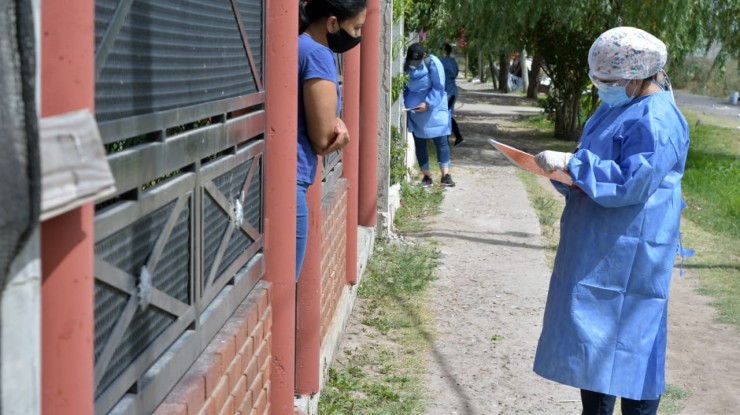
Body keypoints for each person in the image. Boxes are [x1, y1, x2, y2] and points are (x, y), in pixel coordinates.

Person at [532, 27, 690, 415]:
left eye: (609, 81)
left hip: (633, 256)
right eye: (598, 80)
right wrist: (566, 175)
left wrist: (575, 164)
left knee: (635, 351)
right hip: (598, 248)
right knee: (594, 351)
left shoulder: (659, 119)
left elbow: (632, 181)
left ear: (638, 76)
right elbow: (597, 166)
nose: (602, 88)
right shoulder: (614, 107)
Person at [297, 0, 367, 280]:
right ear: (332, 23)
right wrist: (343, 133)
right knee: (287, 284)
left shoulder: (297, 45)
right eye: (356, 27)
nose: (358, 36)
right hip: (293, 182)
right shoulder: (317, 55)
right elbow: (324, 139)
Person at [403, 42, 455, 187]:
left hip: (434, 108)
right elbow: (404, 87)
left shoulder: (432, 63)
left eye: (416, 61)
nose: (413, 64)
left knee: (441, 141)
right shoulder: (405, 65)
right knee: (420, 143)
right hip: (415, 110)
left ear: (424, 56)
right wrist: (405, 103)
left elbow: (438, 87)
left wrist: (427, 103)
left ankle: (445, 176)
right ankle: (426, 177)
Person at [440, 43, 464, 147]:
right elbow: (456, 73)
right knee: (447, 114)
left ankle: (454, 137)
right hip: (452, 90)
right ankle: (455, 137)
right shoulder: (453, 62)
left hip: (446, 92)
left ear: (444, 51)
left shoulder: (441, 61)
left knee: (446, 115)